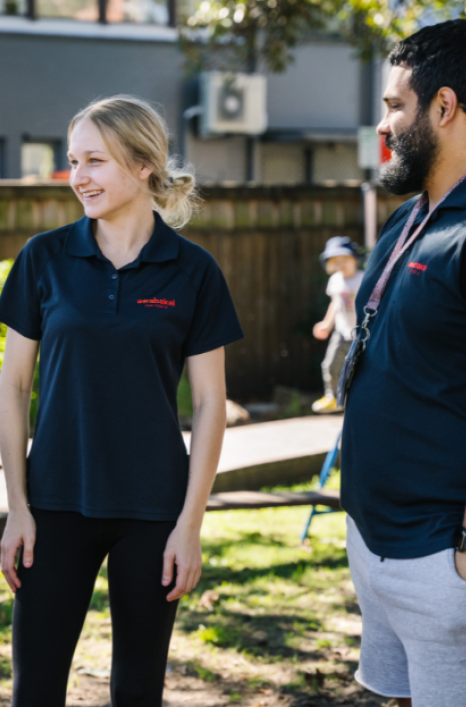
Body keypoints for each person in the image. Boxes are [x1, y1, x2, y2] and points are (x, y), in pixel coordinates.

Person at [0, 96, 243, 706]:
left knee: (138, 691)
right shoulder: (45, 258)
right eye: (73, 160)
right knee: (36, 691)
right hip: (53, 503)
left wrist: (190, 525)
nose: (78, 176)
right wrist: (18, 507)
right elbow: (14, 386)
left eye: (95, 161)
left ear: (142, 167)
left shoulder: (193, 271)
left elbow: (212, 403)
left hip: (154, 511)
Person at [340, 20, 466, 707]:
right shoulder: (408, 217)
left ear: (443, 107)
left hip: (442, 556)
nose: (383, 123)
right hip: (372, 536)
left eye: (395, 106)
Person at [311, 237, 363, 414]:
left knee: (361, 369)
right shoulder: (335, 281)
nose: (340, 264)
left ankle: (361, 398)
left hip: (361, 335)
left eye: (345, 260)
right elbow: (335, 304)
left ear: (355, 259)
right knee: (330, 365)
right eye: (335, 261)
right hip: (341, 332)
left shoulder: (364, 279)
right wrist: (326, 323)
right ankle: (333, 397)